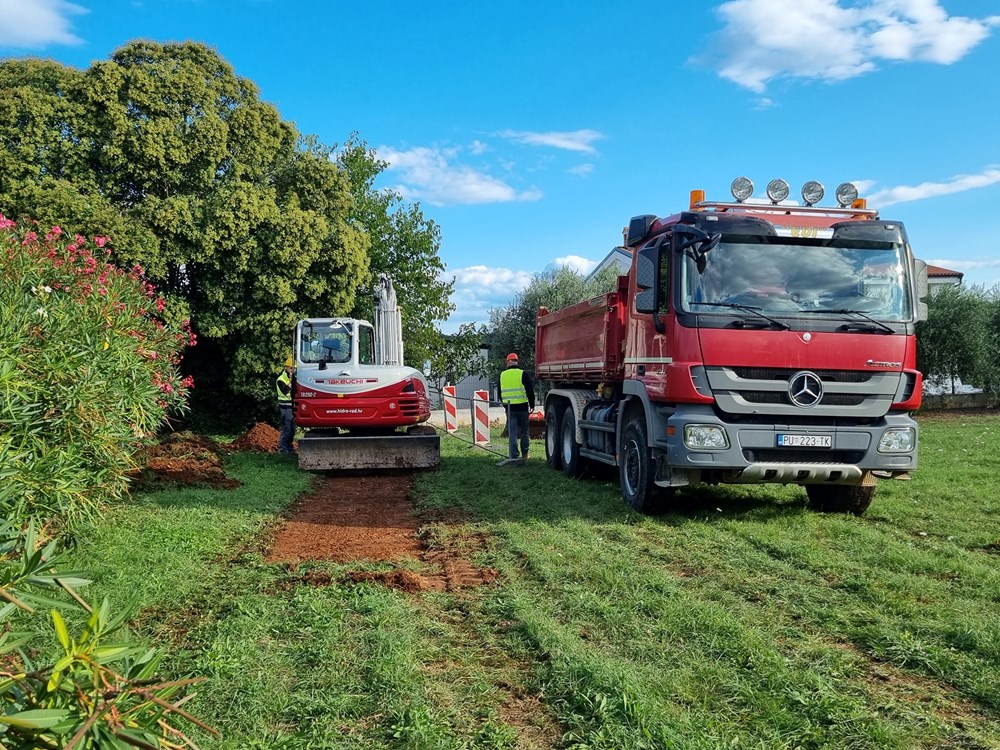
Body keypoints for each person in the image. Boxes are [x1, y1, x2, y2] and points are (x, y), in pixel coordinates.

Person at [500, 352, 535, 461]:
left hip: (510, 408)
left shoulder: (502, 375)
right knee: (525, 432)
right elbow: (530, 390)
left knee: (513, 433)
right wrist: (532, 404)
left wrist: (505, 406)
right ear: (516, 362)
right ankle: (525, 454)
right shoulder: (523, 373)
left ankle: (514, 456)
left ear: (508, 362)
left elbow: (500, 394)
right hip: (523, 408)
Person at [276, 356, 296, 455]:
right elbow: (285, 391)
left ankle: (290, 448)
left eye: (294, 368)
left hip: (292, 407)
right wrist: (290, 382)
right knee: (287, 429)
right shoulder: (281, 379)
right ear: (286, 368)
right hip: (285, 408)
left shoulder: (293, 379)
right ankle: (283, 449)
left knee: (292, 430)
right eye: (291, 368)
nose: (293, 370)